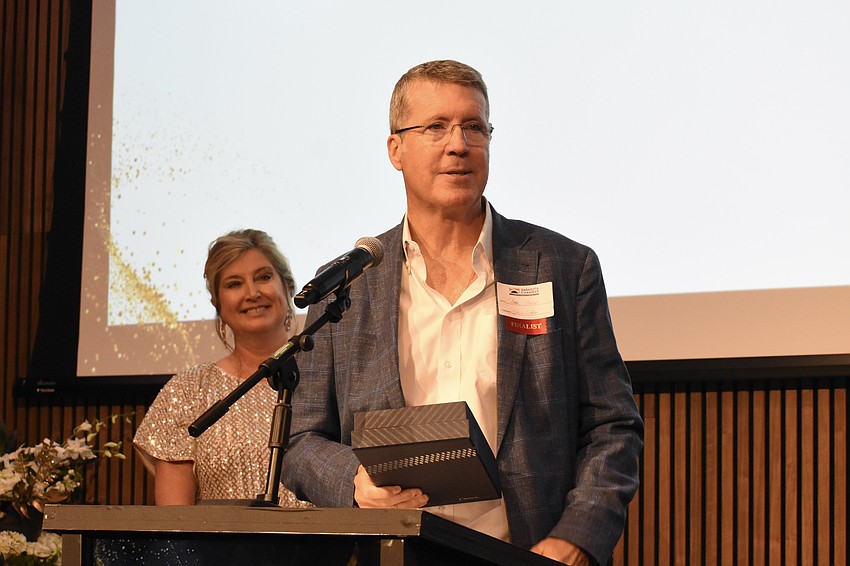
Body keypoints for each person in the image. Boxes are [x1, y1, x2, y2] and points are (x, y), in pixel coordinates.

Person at [280, 60, 643, 566]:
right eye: (436, 127)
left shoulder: (562, 267)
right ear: (395, 149)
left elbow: (612, 425)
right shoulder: (347, 286)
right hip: (393, 552)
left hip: (527, 554)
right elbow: (300, 439)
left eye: (474, 126)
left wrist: (576, 540)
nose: (459, 144)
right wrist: (354, 482)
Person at [134, 228, 311, 508]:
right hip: (221, 540)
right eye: (234, 284)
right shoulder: (188, 391)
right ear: (217, 302)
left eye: (264, 277)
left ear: (287, 286)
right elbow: (175, 522)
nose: (253, 293)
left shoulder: (329, 378)